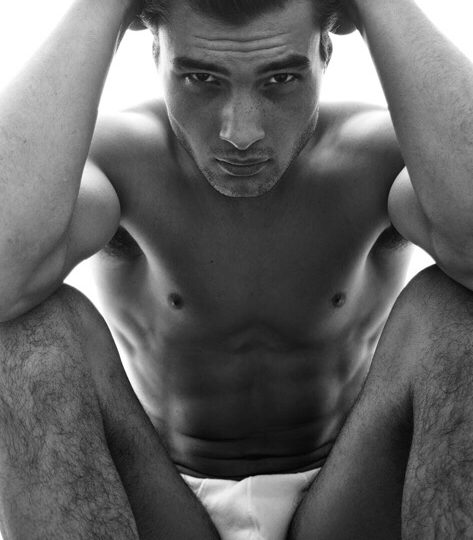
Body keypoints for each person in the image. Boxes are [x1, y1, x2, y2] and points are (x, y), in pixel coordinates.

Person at [1, 0, 473, 538]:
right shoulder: (113, 160)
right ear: (155, 53)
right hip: (157, 504)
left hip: (349, 496)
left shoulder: (382, 155)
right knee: (27, 336)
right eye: (201, 78)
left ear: (325, 51)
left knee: (456, 313)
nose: (240, 133)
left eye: (281, 79)